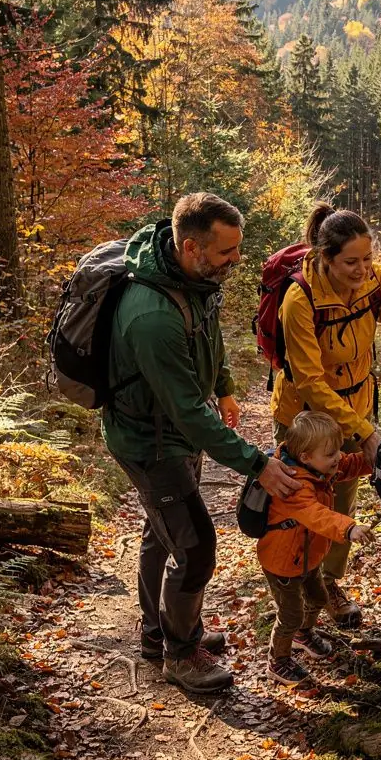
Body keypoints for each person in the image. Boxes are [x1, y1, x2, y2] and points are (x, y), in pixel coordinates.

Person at [102, 193, 301, 696]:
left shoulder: (193, 279)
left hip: (171, 432)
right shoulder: (152, 316)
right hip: (149, 443)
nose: (236, 259)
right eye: (226, 251)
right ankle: (181, 653)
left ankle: (161, 632)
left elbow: (208, 335)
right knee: (195, 548)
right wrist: (255, 463)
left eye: (237, 248)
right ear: (191, 247)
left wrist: (225, 386)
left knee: (162, 533)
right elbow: (188, 414)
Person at [272, 204, 381, 630]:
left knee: (342, 499)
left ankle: (328, 584)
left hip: (356, 403)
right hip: (304, 417)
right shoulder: (299, 298)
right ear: (326, 257)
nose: (362, 269)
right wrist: (364, 432)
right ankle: (291, 594)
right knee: (299, 505)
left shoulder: (378, 282)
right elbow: (309, 380)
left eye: (367, 258)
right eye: (351, 262)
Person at [257, 411, 375, 686]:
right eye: (331, 453)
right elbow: (316, 515)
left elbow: (350, 464)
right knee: (290, 614)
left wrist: (375, 457)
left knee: (318, 598)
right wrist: (349, 528)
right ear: (306, 457)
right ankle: (278, 660)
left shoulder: (319, 467)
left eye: (338, 450)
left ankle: (303, 634)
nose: (338, 457)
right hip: (283, 563)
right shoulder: (293, 485)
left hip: (307, 558)